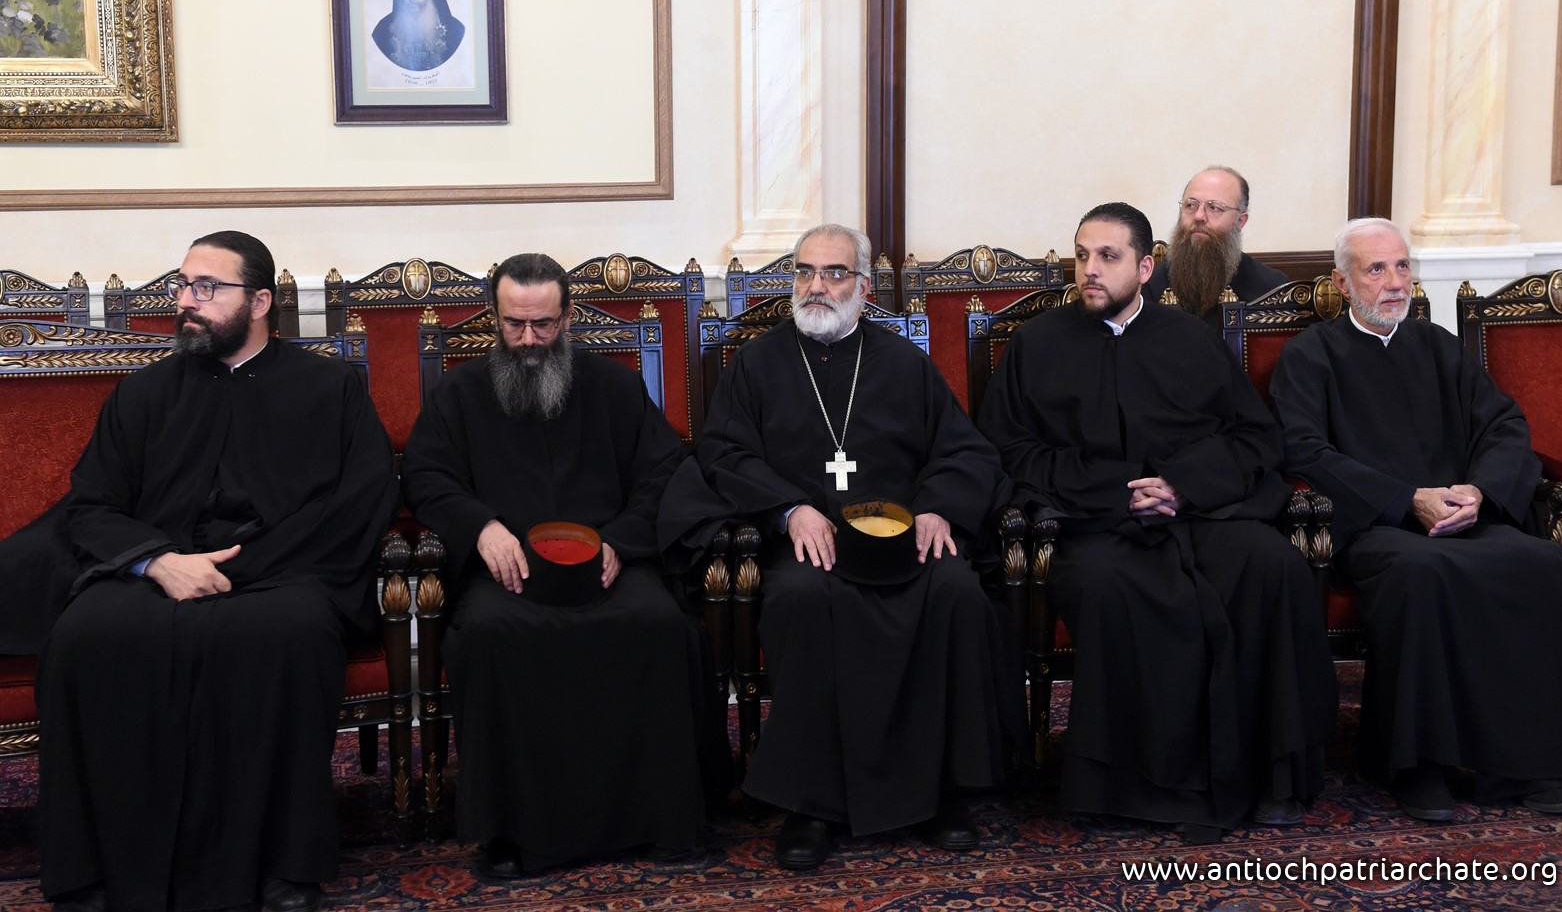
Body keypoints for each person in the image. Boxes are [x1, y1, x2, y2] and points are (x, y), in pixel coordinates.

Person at [35, 231, 398, 912]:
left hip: (287, 571)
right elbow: (91, 504)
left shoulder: (330, 388)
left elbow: (363, 499)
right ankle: (95, 867)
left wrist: (245, 568)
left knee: (290, 636)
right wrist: (157, 561)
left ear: (259, 302)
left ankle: (284, 866)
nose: (186, 301)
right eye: (183, 284)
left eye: (207, 287)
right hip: (157, 568)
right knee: (84, 636)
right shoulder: (144, 393)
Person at [659, 223, 1019, 871]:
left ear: (865, 287)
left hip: (899, 540)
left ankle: (940, 792)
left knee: (958, 592)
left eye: (834, 273)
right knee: (800, 600)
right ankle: (812, 804)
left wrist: (936, 508)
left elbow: (963, 448)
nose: (816, 286)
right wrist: (790, 509)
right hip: (809, 546)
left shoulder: (904, 363)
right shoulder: (758, 363)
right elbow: (723, 452)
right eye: (805, 271)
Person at [977, 202, 1336, 844]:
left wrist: (1182, 485)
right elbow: (1008, 451)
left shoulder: (1190, 338)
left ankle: (1269, 776)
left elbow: (1255, 439)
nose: (1090, 270)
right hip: (1094, 522)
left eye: (1107, 257)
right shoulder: (1037, 343)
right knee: (1114, 586)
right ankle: (1140, 787)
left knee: (1271, 566)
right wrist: (1121, 491)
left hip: (1199, 510)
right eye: (1082, 255)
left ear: (1145, 268)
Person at [401, 253, 718, 877]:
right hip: (510, 570)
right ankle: (511, 832)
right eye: (513, 324)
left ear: (568, 317)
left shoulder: (614, 386)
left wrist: (621, 540)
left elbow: (664, 471)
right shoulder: (460, 392)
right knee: (488, 636)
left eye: (542, 325)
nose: (527, 340)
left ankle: (663, 818)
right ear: (494, 317)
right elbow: (426, 475)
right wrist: (482, 526)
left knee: (661, 625)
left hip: (607, 562)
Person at [1269, 217, 1562, 821]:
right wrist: (1407, 498)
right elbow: (1302, 451)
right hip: (1375, 526)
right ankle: (1419, 767)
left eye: (1402, 266)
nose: (1395, 283)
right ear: (1342, 281)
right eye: (1376, 269)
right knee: (1423, 572)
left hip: (1462, 516)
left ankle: (1524, 764)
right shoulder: (1310, 355)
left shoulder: (1437, 345)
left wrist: (1480, 493)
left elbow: (1503, 424)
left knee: (1539, 562)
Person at [1143, 165, 1289, 323]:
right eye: (1190, 205)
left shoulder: (1272, 291)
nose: (1199, 216)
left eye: (1214, 208)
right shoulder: (1147, 286)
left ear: (1240, 221)